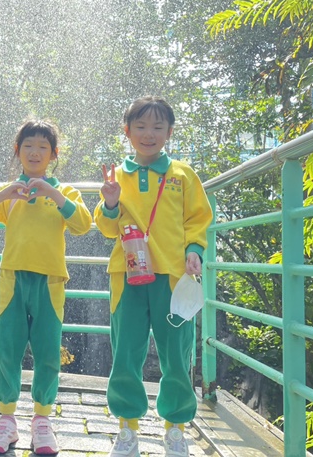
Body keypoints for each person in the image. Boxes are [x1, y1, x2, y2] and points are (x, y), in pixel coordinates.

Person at [0, 119, 92, 455]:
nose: (35, 152)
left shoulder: (64, 193)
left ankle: (42, 421)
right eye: (28, 145)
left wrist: (53, 194)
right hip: (12, 280)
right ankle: (6, 420)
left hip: (50, 282)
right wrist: (3, 195)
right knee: (8, 350)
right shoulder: (10, 192)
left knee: (48, 353)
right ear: (17, 150)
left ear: (54, 154)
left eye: (42, 147)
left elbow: (83, 223)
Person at [95, 96, 213, 457]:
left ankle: (175, 429)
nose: (149, 134)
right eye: (141, 126)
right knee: (126, 352)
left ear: (169, 132)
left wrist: (195, 250)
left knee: (176, 354)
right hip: (127, 275)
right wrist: (110, 201)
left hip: (173, 277)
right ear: (127, 131)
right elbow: (106, 227)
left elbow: (198, 218)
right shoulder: (117, 176)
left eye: (158, 127)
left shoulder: (182, 173)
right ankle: (127, 429)